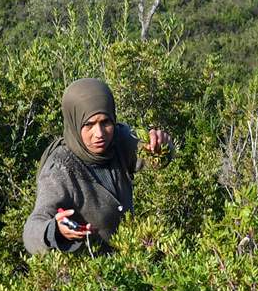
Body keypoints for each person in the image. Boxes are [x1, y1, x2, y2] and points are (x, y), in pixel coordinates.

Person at [23, 77, 169, 255]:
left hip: (131, 267)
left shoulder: (119, 139)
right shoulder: (60, 168)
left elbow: (155, 158)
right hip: (90, 277)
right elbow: (32, 229)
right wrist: (55, 230)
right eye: (88, 125)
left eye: (105, 122)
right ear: (74, 122)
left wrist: (161, 144)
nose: (99, 134)